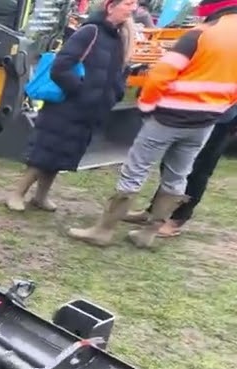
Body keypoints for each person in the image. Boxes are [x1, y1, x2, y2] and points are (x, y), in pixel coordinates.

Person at [68, 0, 237, 247]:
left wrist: (147, 106)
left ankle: (103, 231)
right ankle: (148, 234)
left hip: (169, 117)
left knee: (135, 170)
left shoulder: (200, 35)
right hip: (206, 122)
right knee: (178, 176)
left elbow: (161, 74)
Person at [4, 0, 138, 213]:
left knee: (62, 155)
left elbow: (118, 73)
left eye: (136, 4)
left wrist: (114, 95)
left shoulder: (117, 38)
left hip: (89, 111)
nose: (134, 8)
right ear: (110, 6)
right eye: (129, 3)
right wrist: (80, 91)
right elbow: (61, 67)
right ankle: (17, 193)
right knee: (45, 153)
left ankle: (40, 197)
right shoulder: (90, 32)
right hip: (67, 107)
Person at [122, 103, 237, 237]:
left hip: (219, 116)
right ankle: (154, 212)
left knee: (199, 167)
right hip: (188, 110)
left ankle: (177, 219)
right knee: (173, 163)